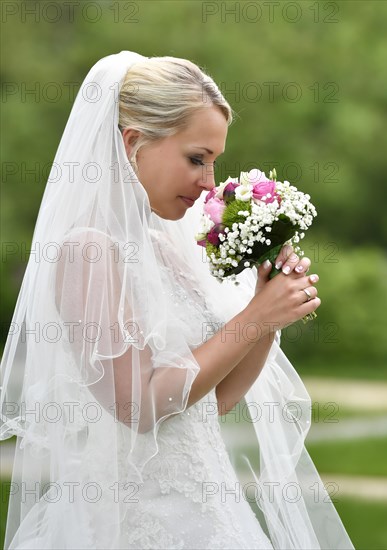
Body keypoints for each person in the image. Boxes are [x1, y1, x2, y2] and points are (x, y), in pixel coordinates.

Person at [0, 51, 353, 549]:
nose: (210, 182)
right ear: (133, 143)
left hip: (208, 512)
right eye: (196, 158)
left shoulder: (168, 244)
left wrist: (269, 309)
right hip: (132, 522)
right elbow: (139, 406)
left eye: (213, 161)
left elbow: (213, 401)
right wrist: (254, 319)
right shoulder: (88, 251)